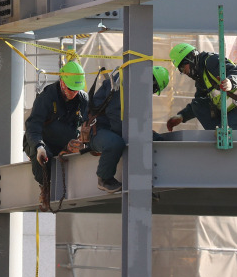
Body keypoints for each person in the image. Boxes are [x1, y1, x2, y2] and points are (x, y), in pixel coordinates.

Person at [87, 66, 170, 193]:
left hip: (114, 127)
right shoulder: (121, 82)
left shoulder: (134, 88)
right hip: (98, 129)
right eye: (153, 88)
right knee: (115, 143)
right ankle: (104, 179)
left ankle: (144, 186)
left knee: (150, 139)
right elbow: (115, 115)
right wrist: (137, 134)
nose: (151, 92)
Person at [23, 60, 88, 211]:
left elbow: (89, 123)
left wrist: (83, 141)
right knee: (43, 160)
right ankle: (45, 188)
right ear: (62, 83)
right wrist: (39, 146)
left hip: (65, 142)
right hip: (42, 141)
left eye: (77, 90)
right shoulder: (47, 98)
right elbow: (33, 127)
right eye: (71, 89)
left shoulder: (82, 99)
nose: (74, 93)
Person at [166, 43, 237, 131]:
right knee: (198, 104)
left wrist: (230, 82)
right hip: (232, 110)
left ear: (190, 58)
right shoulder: (201, 78)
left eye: (182, 68)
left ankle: (232, 131)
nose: (184, 72)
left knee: (230, 133)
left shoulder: (211, 61)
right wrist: (182, 116)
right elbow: (199, 104)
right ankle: (219, 133)